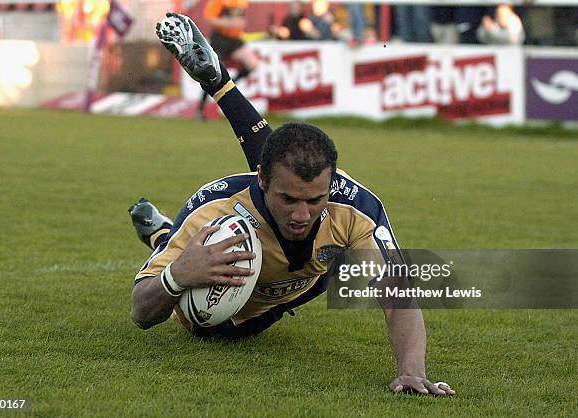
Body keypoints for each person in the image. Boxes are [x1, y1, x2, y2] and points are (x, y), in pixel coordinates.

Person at [132, 13, 455, 396]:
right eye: (288, 200)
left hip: (303, 282)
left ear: (331, 185)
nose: (302, 215)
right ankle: (164, 237)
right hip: (217, 321)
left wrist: (412, 370)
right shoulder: (212, 209)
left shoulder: (355, 209)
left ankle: (218, 82)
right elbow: (141, 313)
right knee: (211, 320)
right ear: (262, 181)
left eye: (315, 200)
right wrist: (178, 276)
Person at [197, 0, 259, 120]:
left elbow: (240, 19)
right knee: (212, 73)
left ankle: (230, 86)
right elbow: (209, 19)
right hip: (220, 39)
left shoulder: (241, 2)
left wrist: (239, 24)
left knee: (252, 63)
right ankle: (201, 108)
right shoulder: (218, 2)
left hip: (235, 40)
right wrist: (228, 23)